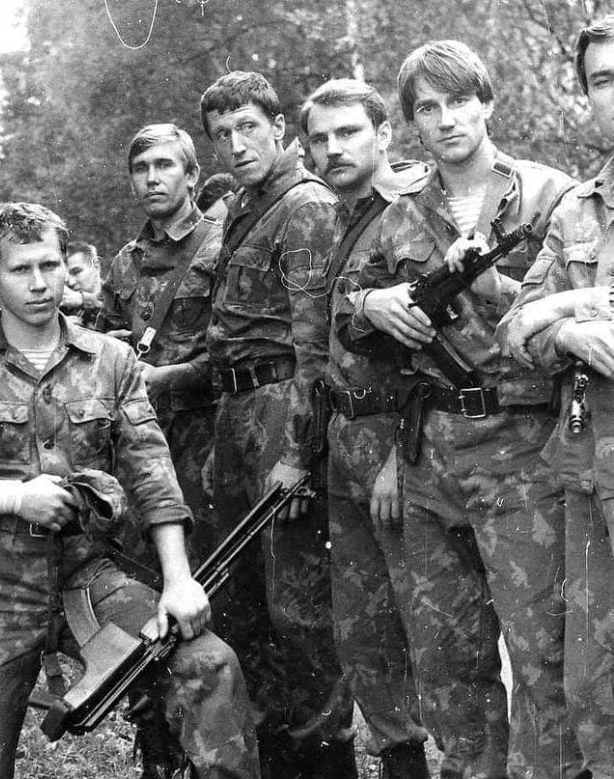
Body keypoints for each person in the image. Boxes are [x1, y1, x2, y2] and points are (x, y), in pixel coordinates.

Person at [0, 202, 260, 779]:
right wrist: (12, 497)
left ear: (67, 265)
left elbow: (152, 472)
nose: (39, 283)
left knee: (209, 664)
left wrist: (178, 580)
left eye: (50, 265)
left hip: (88, 581)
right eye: (20, 269)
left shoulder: (111, 360)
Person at [337, 41, 580, 778]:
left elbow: (583, 308)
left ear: (488, 104)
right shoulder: (398, 216)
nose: (446, 121)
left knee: (542, 652)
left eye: (459, 102)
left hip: (523, 452)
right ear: (411, 123)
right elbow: (345, 316)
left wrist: (492, 287)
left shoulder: (551, 198)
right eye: (428, 108)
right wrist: (374, 304)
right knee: (446, 656)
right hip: (429, 460)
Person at [200, 70, 356, 778]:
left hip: (281, 411)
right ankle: (274, 757)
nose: (236, 145)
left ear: (279, 130)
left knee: (298, 608)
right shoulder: (243, 206)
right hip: (237, 413)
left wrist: (297, 452)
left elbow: (312, 348)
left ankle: (325, 760)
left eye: (249, 128)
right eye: (222, 134)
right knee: (245, 603)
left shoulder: (304, 206)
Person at [300, 78, 430, 777]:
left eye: (348, 132)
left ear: (383, 134)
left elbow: (439, 348)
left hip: (400, 442)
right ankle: (401, 762)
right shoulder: (333, 220)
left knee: (433, 631)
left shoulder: (411, 210)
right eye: (320, 138)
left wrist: (399, 460)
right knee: (363, 631)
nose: (333, 148)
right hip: (344, 444)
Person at [499, 16, 614, 776]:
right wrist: (570, 328)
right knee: (593, 689)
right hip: (591, 475)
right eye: (603, 81)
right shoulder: (578, 210)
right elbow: (515, 330)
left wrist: (563, 311)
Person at [96, 123, 222, 566]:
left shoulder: (221, 247)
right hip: (139, 443)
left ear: (192, 176)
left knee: (205, 567)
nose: (151, 178)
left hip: (205, 440)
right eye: (140, 168)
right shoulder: (125, 262)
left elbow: (238, 351)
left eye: (164, 165)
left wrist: (169, 378)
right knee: (137, 566)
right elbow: (105, 344)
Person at [60, 240, 105, 327]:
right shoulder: (64, 306)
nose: (71, 282)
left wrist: (83, 300)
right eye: (64, 277)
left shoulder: (116, 295)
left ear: (96, 267)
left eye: (76, 272)